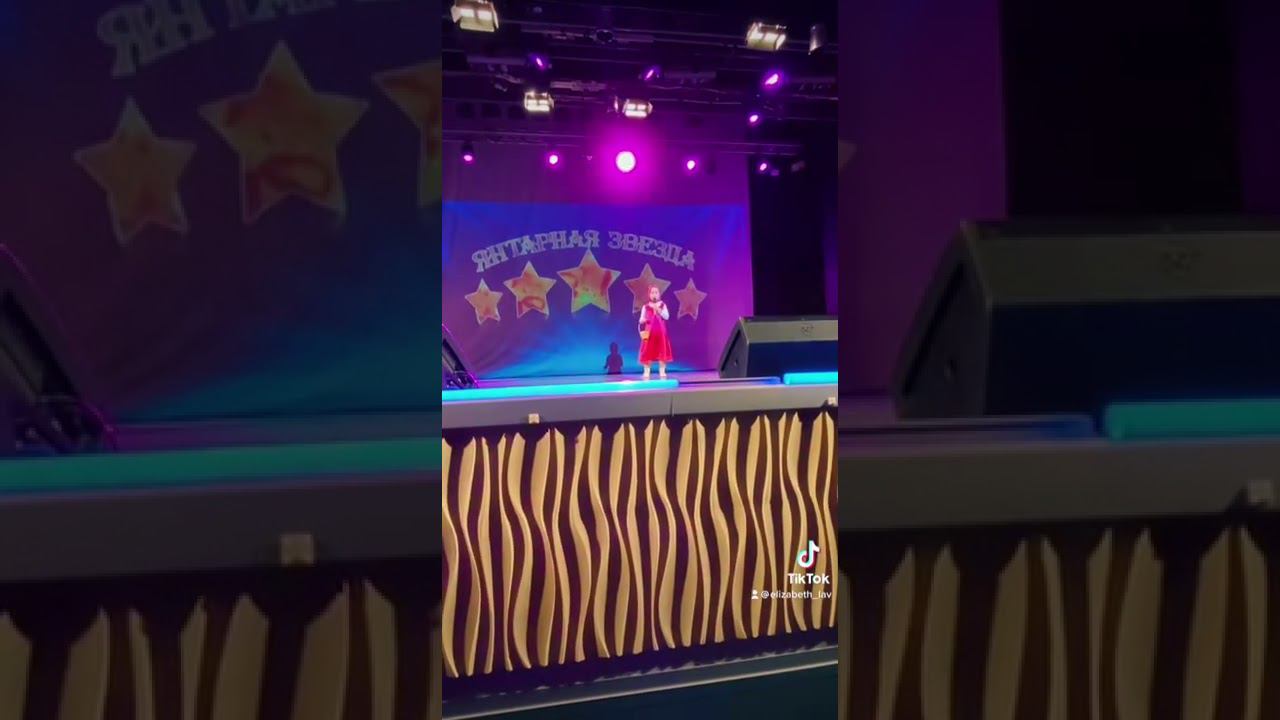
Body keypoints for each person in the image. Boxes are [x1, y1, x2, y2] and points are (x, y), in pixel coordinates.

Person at [637, 284, 673, 379]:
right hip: (649, 333)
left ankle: (662, 371)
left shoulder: (662, 305)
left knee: (662, 350)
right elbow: (641, 319)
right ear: (649, 295)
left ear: (659, 294)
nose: (654, 294)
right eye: (652, 293)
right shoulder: (645, 306)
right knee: (647, 351)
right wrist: (643, 320)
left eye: (656, 292)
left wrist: (658, 310)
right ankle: (646, 371)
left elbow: (666, 317)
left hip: (661, 333)